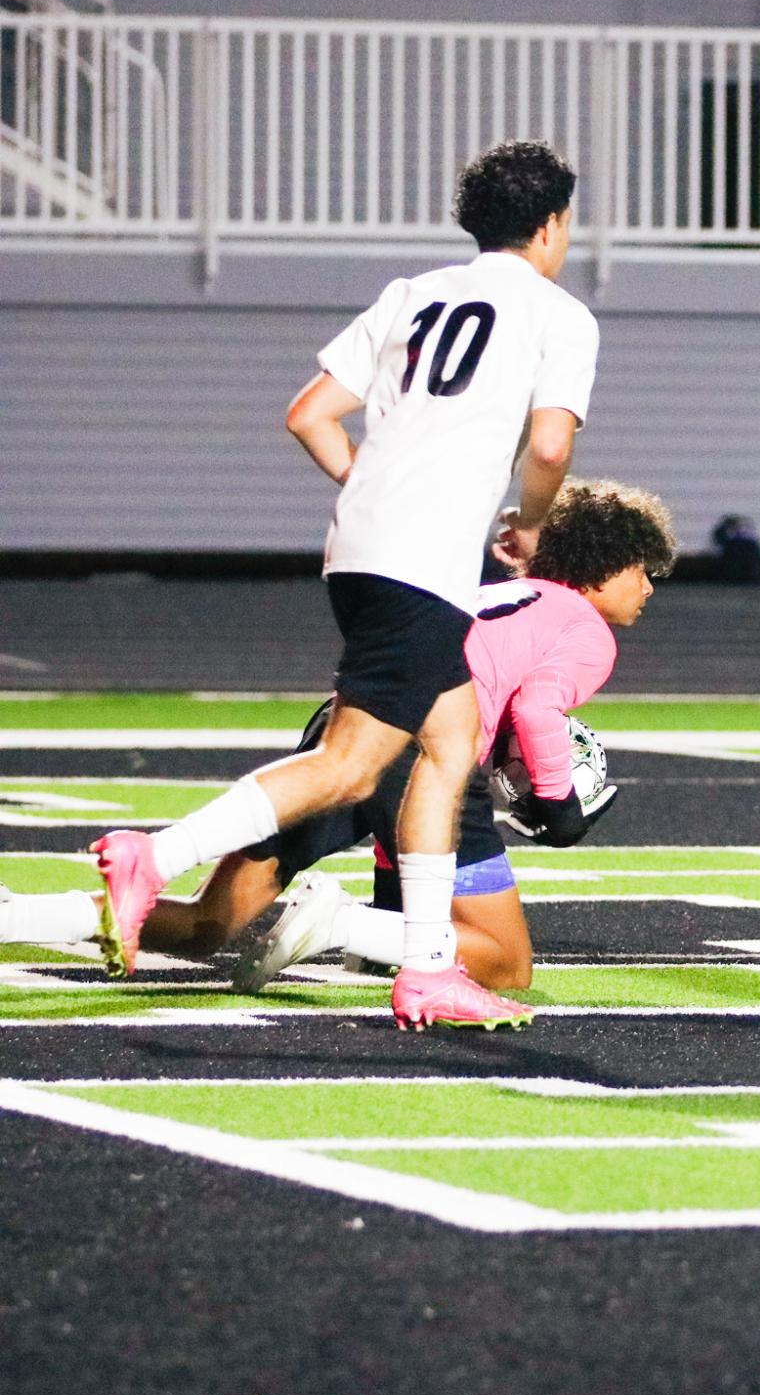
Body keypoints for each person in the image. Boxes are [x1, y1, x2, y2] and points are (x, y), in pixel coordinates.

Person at [85, 140, 598, 1032]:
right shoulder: (559, 314)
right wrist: (534, 523)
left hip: (365, 546)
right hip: (422, 560)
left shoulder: (411, 294)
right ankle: (153, 854)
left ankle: (429, 965)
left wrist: (375, 491)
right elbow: (550, 446)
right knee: (352, 764)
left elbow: (310, 415)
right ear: (552, 224)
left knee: (450, 742)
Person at [1, 482, 673, 1004]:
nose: (647, 587)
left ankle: (23, 917)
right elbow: (535, 705)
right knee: (505, 960)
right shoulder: (586, 630)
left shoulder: (500, 594)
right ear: (601, 567)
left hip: (350, 726)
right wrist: (557, 801)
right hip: (425, 749)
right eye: (641, 570)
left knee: (212, 924)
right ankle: (336, 926)